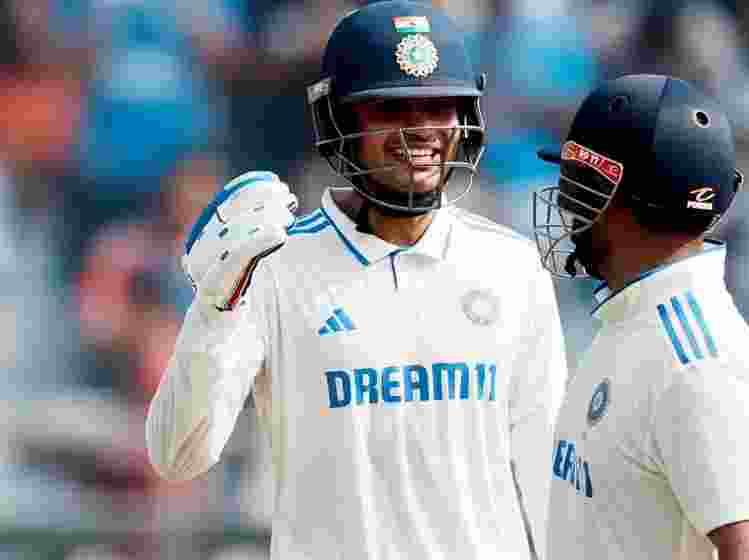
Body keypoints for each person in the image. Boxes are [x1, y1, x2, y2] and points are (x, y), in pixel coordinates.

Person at [146, 2, 568, 559]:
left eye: (439, 107)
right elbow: (177, 457)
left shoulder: (513, 267)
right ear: (340, 121)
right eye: (391, 109)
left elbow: (550, 481)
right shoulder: (273, 265)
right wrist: (214, 308)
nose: (420, 130)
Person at [531, 74, 749, 559]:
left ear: (627, 203)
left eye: (579, 186)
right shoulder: (634, 317)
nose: (565, 203)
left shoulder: (698, 361)